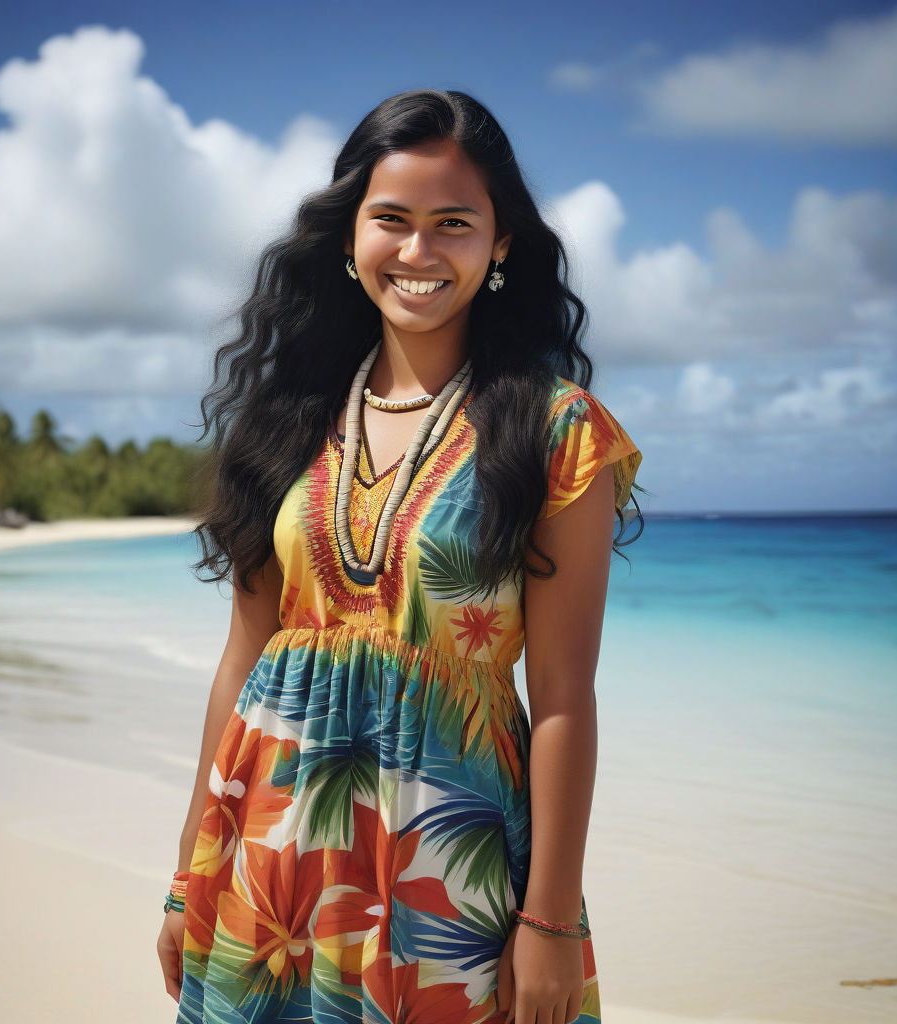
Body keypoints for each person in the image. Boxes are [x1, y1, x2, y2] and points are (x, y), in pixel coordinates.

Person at [157, 88, 642, 1024]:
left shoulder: (555, 431)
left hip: (448, 872)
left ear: (500, 245)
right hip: (268, 857)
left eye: (454, 224)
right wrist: (189, 873)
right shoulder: (285, 420)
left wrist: (549, 922)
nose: (420, 253)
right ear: (350, 239)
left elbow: (565, 699)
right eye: (393, 220)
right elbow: (243, 656)